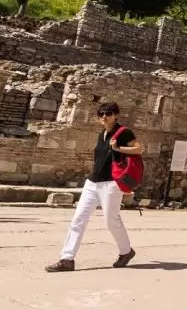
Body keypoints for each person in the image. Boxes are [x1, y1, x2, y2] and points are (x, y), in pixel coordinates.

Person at [46, 101, 139, 272]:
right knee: (78, 220)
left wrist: (118, 147)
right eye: (101, 114)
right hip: (92, 182)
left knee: (111, 221)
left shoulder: (124, 132)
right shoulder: (101, 134)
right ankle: (67, 259)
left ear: (116, 115)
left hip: (111, 183)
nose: (104, 117)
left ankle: (126, 251)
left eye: (109, 113)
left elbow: (139, 150)